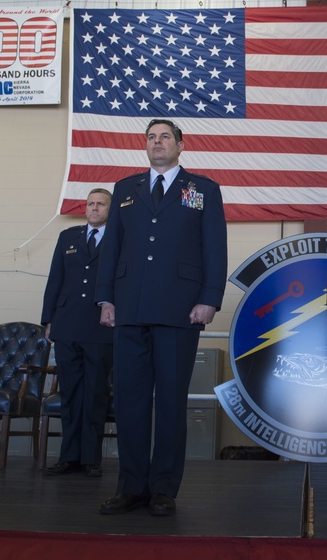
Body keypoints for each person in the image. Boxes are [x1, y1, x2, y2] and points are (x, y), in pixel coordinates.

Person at [95, 118, 227, 517]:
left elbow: (214, 248)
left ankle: (164, 489)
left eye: (165, 137)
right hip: (129, 309)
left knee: (170, 402)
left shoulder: (202, 189)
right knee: (132, 402)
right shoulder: (126, 190)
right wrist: (105, 298)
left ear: (180, 145)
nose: (157, 143)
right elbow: (112, 247)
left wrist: (210, 298)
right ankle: (131, 486)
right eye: (151, 138)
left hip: (179, 310)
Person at [41, 188, 114, 478]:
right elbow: (55, 279)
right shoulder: (68, 237)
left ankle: (90, 458)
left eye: (101, 204)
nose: (94, 209)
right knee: (70, 393)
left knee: (95, 393)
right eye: (91, 204)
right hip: (67, 324)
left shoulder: (119, 237)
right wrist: (49, 319)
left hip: (100, 326)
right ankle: (68, 456)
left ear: (111, 209)